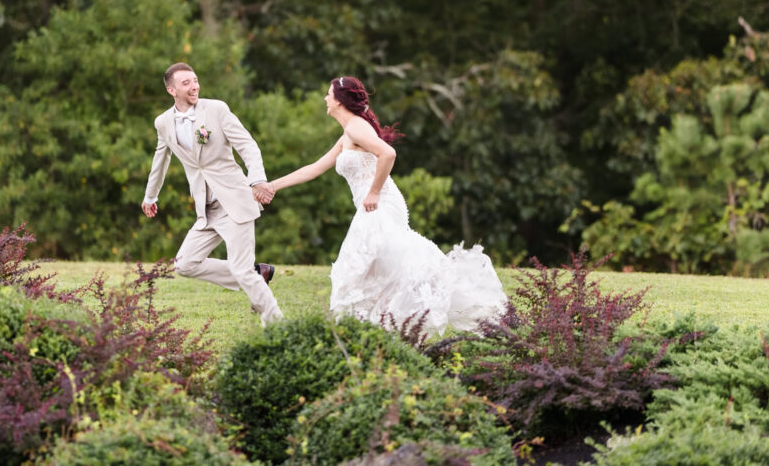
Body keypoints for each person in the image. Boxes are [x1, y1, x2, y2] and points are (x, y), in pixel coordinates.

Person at [269, 76, 506, 334]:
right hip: (372, 205)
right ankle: (380, 329)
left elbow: (388, 154)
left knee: (355, 268)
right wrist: (272, 186)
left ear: (339, 100)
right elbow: (314, 169)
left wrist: (373, 192)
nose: (325, 99)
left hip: (378, 204)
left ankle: (360, 331)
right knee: (375, 270)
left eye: (328, 94)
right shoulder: (349, 132)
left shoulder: (356, 128)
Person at [141, 62, 283, 326]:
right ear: (171, 90)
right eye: (186, 83)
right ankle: (255, 275)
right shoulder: (162, 122)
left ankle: (277, 324)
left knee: (241, 269)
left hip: (235, 202)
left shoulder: (217, 109)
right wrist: (151, 196)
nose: (194, 86)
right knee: (184, 264)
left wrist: (257, 179)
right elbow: (160, 161)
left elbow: (247, 146)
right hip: (206, 210)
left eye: (195, 80)